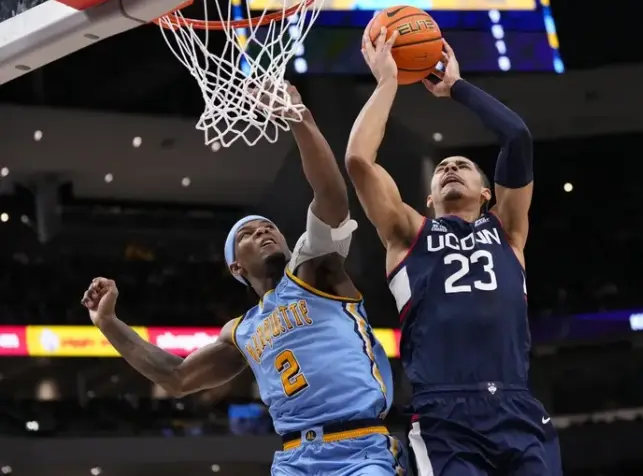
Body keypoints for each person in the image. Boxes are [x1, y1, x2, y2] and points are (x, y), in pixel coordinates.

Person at [82, 84, 405, 476]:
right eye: (248, 234)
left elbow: (331, 195)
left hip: (358, 446)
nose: (264, 232)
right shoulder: (241, 332)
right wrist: (108, 323)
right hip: (293, 459)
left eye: (268, 227)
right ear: (236, 267)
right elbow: (176, 377)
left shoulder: (315, 273)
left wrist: (298, 116)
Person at [344, 27, 562, 475]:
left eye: (462, 166)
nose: (450, 169)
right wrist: (387, 83)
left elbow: (517, 137)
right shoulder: (408, 233)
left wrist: (456, 88)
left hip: (516, 404)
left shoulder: (508, 231)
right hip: (444, 414)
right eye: (442, 167)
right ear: (428, 199)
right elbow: (358, 162)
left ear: (487, 192)